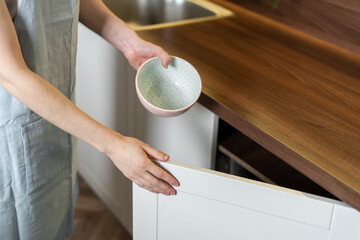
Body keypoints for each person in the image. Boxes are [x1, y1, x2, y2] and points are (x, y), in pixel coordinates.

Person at [0, 0, 179, 239]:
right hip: (12, 115)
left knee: (46, 214)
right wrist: (113, 145)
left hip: (51, 109)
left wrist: (130, 43)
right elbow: (11, 75)